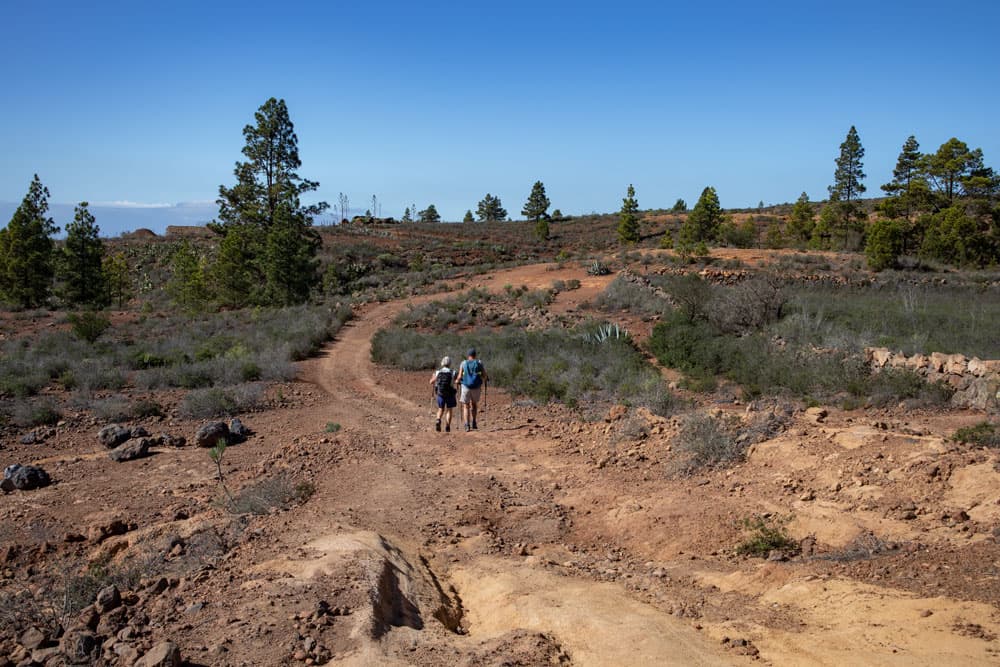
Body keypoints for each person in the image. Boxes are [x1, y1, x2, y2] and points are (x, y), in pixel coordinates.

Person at [456, 348, 488, 432]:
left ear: (468, 355)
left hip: (466, 387)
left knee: (466, 406)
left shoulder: (463, 363)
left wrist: (457, 381)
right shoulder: (479, 363)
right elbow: (484, 375)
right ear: (475, 355)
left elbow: (459, 376)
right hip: (476, 387)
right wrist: (484, 379)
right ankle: (474, 421)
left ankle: (467, 425)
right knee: (474, 404)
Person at [429, 356, 457, 432]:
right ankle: (447, 426)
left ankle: (438, 420)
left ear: (442, 363)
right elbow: (457, 381)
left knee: (440, 409)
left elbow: (431, 382)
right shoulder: (453, 372)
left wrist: (433, 377)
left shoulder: (438, 372)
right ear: (450, 364)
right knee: (449, 409)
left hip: (440, 393)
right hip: (450, 394)